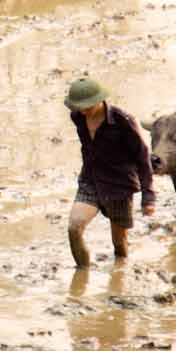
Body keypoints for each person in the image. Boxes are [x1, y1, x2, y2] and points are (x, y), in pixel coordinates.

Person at [64, 77, 156, 269]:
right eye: (79, 107)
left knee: (119, 244)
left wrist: (148, 196)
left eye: (88, 106)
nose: (83, 111)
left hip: (119, 186)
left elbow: (142, 156)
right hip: (91, 180)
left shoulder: (123, 121)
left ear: (100, 100)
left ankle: (119, 277)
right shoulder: (78, 117)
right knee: (74, 227)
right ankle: (82, 273)